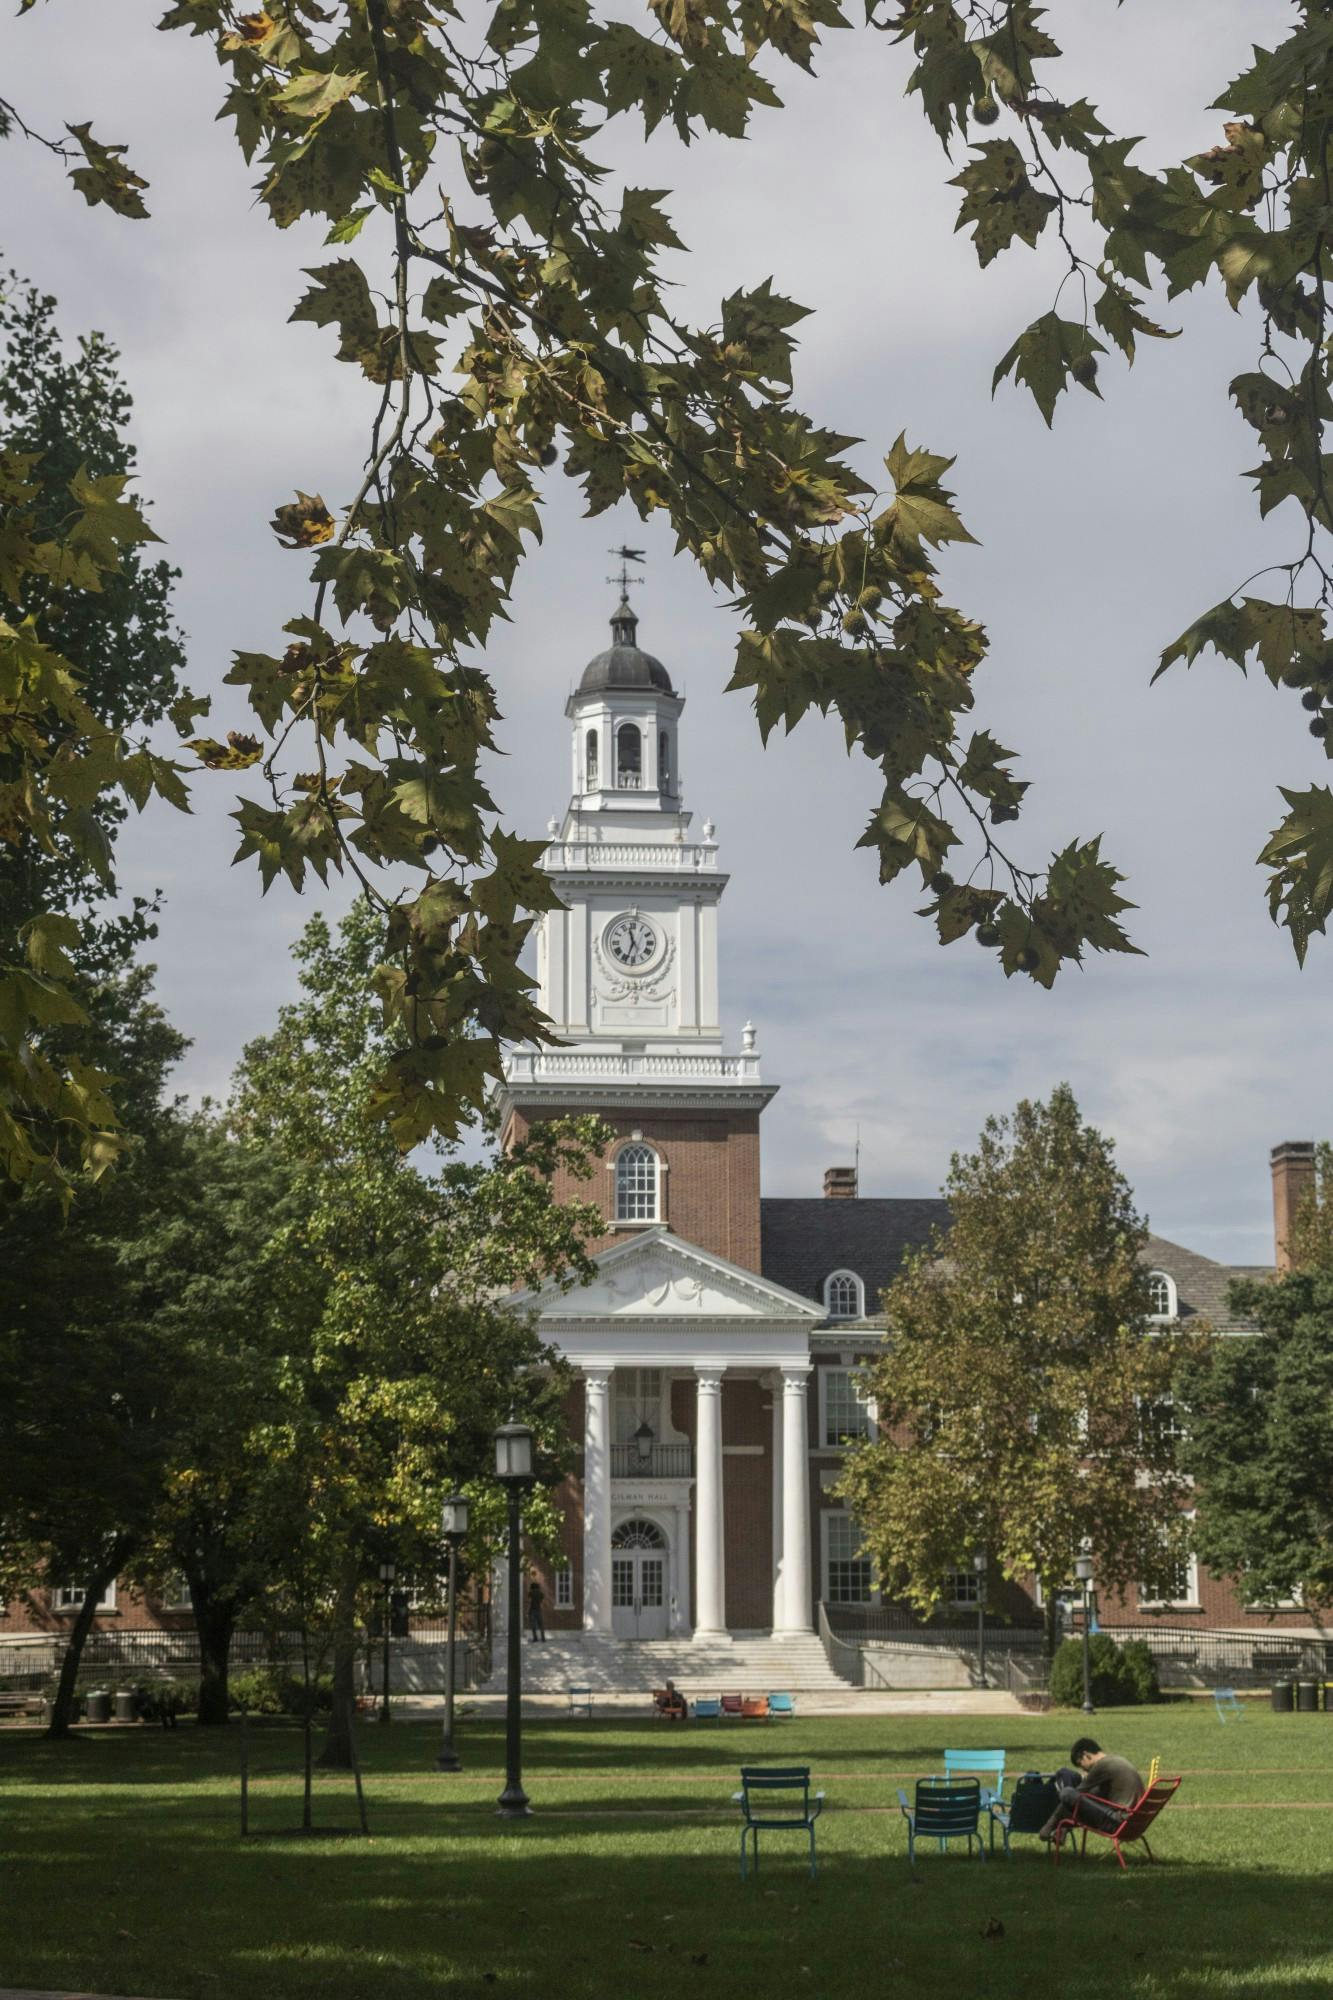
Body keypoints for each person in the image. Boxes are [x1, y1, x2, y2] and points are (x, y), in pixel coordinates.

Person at [1038, 1736, 1144, 1843]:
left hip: (1118, 1824)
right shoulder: (1116, 1760)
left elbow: (1074, 1795)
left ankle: (1048, 1830)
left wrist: (1048, 1825)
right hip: (1135, 1824)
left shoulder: (1103, 1765)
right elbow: (1092, 1795)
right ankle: (1062, 1830)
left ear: (1086, 1755)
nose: (1083, 1769)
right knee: (1088, 1795)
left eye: (1080, 1764)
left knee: (1067, 1793)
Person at [526, 1576, 546, 1642]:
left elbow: (529, 1601)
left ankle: (535, 1638)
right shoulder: (541, 1593)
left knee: (533, 1625)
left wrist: (527, 1611)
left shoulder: (531, 1593)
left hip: (532, 1610)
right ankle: (543, 1638)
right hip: (539, 1610)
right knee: (541, 1625)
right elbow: (542, 1602)